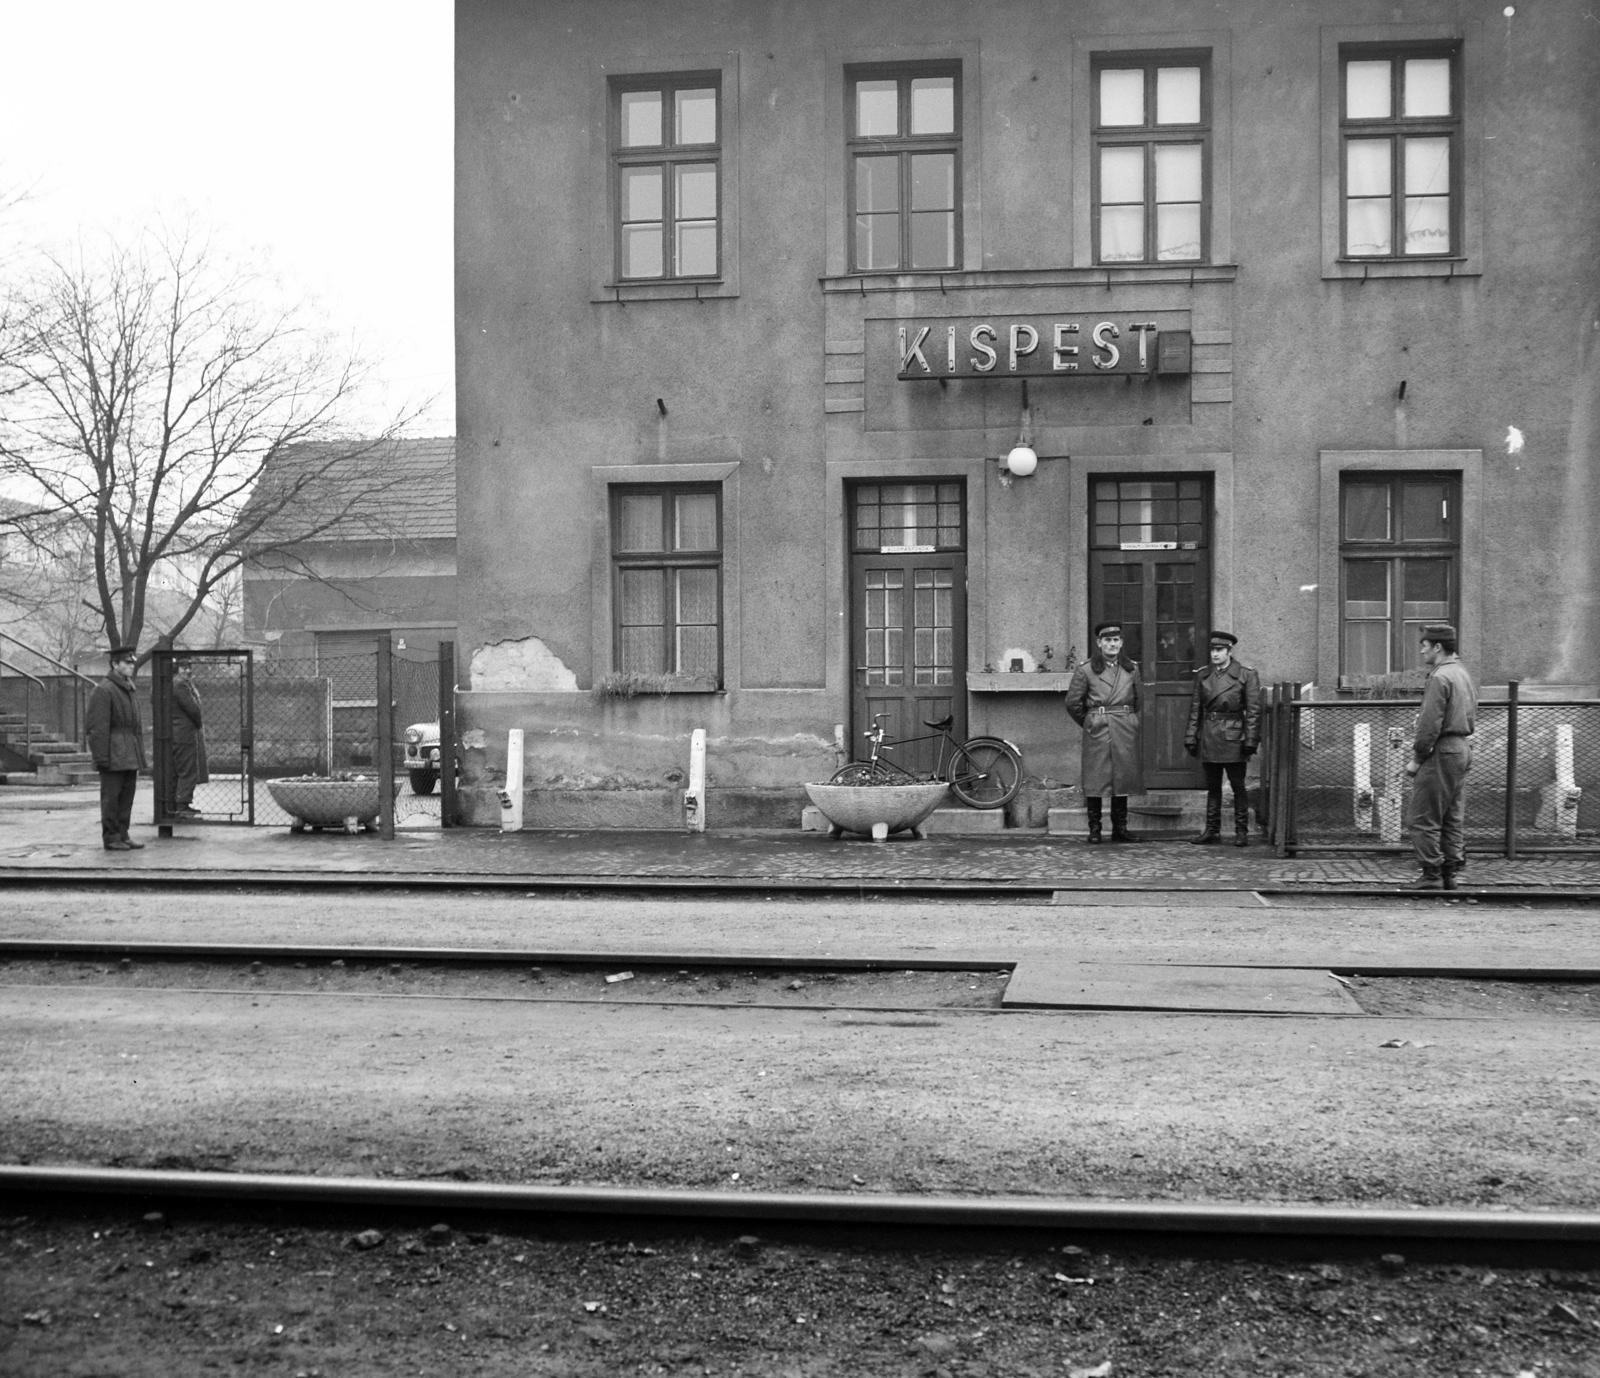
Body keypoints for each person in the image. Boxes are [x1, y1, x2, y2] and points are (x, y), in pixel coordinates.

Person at [1405, 623, 1477, 890]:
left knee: (1422, 817)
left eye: (1424, 645)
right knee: (1451, 816)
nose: (1422, 651)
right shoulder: (1461, 673)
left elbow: (1428, 726)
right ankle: (1450, 874)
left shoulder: (1439, 677)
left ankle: (1431, 874)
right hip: (1461, 749)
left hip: (1441, 751)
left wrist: (1416, 759)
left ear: (1437, 647)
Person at [1063, 622, 1144, 843]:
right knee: (1096, 779)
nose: (1112, 644)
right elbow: (1073, 703)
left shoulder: (1131, 668)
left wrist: (1132, 722)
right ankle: (1095, 829)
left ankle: (1120, 828)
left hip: (1124, 728)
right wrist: (1091, 722)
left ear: (1122, 643)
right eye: (1107, 640)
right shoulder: (1086, 669)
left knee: (1122, 779)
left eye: (1116, 640)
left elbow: (1138, 700)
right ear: (1099, 643)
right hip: (1098, 728)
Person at [1184, 630, 1263, 847]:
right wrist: (1191, 735)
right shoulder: (1203, 675)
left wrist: (1251, 740)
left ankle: (1241, 831)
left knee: (1238, 785)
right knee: (1213, 786)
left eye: (1219, 650)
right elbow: (1195, 709)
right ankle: (1211, 830)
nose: (1215, 654)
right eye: (1212, 650)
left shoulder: (1246, 675)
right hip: (1210, 735)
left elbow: (1254, 711)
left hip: (1234, 735)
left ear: (1229, 651)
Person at [85, 645, 147, 852]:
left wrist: (139, 754)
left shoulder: (127, 688)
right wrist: (101, 757)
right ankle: (111, 837)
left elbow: (134, 726)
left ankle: (122, 833)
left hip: (127, 751)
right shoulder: (104, 690)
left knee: (126, 797)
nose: (131, 666)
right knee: (112, 797)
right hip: (113, 753)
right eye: (127, 663)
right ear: (115, 664)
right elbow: (97, 728)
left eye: (132, 662)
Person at [171, 657, 208, 816]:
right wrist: (198, 724)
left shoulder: (176, 684)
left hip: (179, 732)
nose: (187, 670)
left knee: (184, 768)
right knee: (188, 769)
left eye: (189, 667)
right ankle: (182, 805)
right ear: (177, 668)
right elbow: (193, 709)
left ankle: (181, 803)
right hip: (185, 733)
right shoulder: (180, 685)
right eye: (183, 667)